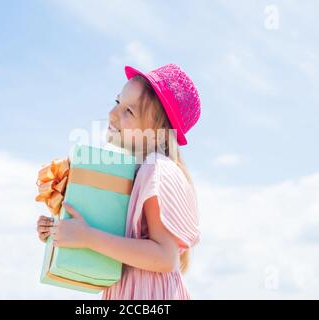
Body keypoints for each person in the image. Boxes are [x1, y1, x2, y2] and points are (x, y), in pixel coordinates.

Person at [37, 64, 201, 299]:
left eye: (129, 111)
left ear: (158, 131)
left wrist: (88, 237)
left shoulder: (156, 169)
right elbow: (113, 243)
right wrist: (60, 230)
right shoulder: (130, 173)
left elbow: (165, 257)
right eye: (117, 102)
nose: (113, 115)